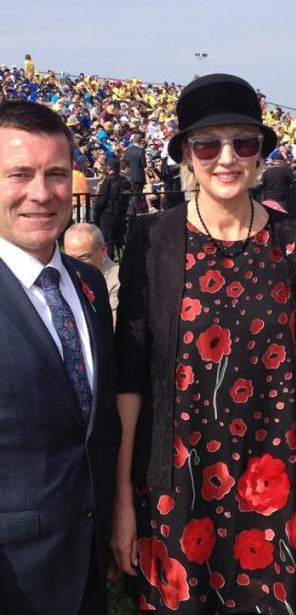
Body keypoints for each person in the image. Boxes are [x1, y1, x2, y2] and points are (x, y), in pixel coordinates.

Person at [112, 73, 296, 613]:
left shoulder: (295, 239)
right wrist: (122, 496)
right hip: (178, 484)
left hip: (273, 479)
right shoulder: (152, 238)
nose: (226, 157)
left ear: (259, 154)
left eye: (243, 142)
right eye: (208, 144)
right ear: (186, 154)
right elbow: (131, 377)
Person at [0, 100, 120, 614]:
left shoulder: (89, 283)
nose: (41, 193)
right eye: (19, 174)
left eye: (55, 174)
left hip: (87, 559)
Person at [64, 222, 120, 328]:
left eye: (83, 258)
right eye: (69, 258)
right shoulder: (61, 273)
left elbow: (110, 328)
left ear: (103, 250)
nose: (74, 264)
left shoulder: (117, 281)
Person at [93, 157, 131, 260]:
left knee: (108, 241)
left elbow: (102, 200)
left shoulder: (108, 181)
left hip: (107, 215)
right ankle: (124, 260)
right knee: (119, 241)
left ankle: (110, 263)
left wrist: (96, 214)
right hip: (121, 215)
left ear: (109, 168)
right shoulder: (125, 181)